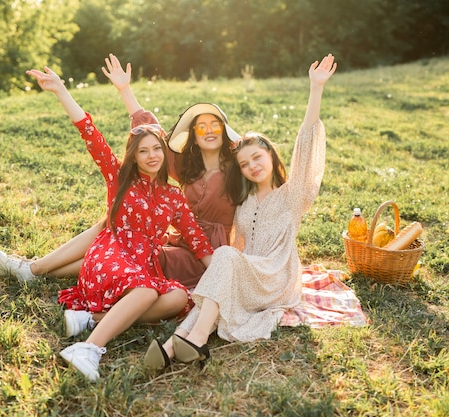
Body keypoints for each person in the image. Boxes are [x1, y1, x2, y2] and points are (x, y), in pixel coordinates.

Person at [143, 54, 338, 370]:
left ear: (272, 157)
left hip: (277, 277)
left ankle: (194, 339)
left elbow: (306, 144)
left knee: (225, 260)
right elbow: (234, 249)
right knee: (223, 270)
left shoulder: (293, 194)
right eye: (245, 164)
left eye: (258, 158)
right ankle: (174, 343)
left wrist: (315, 89)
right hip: (250, 272)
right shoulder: (244, 200)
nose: (252, 167)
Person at [24, 63, 214, 381]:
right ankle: (87, 348)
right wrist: (61, 91)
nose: (152, 156)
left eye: (157, 149)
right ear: (134, 155)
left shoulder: (172, 196)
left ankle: (92, 317)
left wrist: (222, 270)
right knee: (144, 293)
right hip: (110, 253)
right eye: (144, 151)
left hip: (142, 265)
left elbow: (196, 239)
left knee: (179, 296)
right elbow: (90, 133)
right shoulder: (119, 178)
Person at [0, 54, 238, 288]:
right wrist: (72, 91)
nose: (208, 131)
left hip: (193, 255)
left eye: (215, 125)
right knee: (113, 229)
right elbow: (131, 136)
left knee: (130, 247)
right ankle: (34, 270)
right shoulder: (185, 168)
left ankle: (33, 270)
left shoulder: (235, 170)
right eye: (202, 126)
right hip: (157, 245)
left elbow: (202, 235)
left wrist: (223, 272)